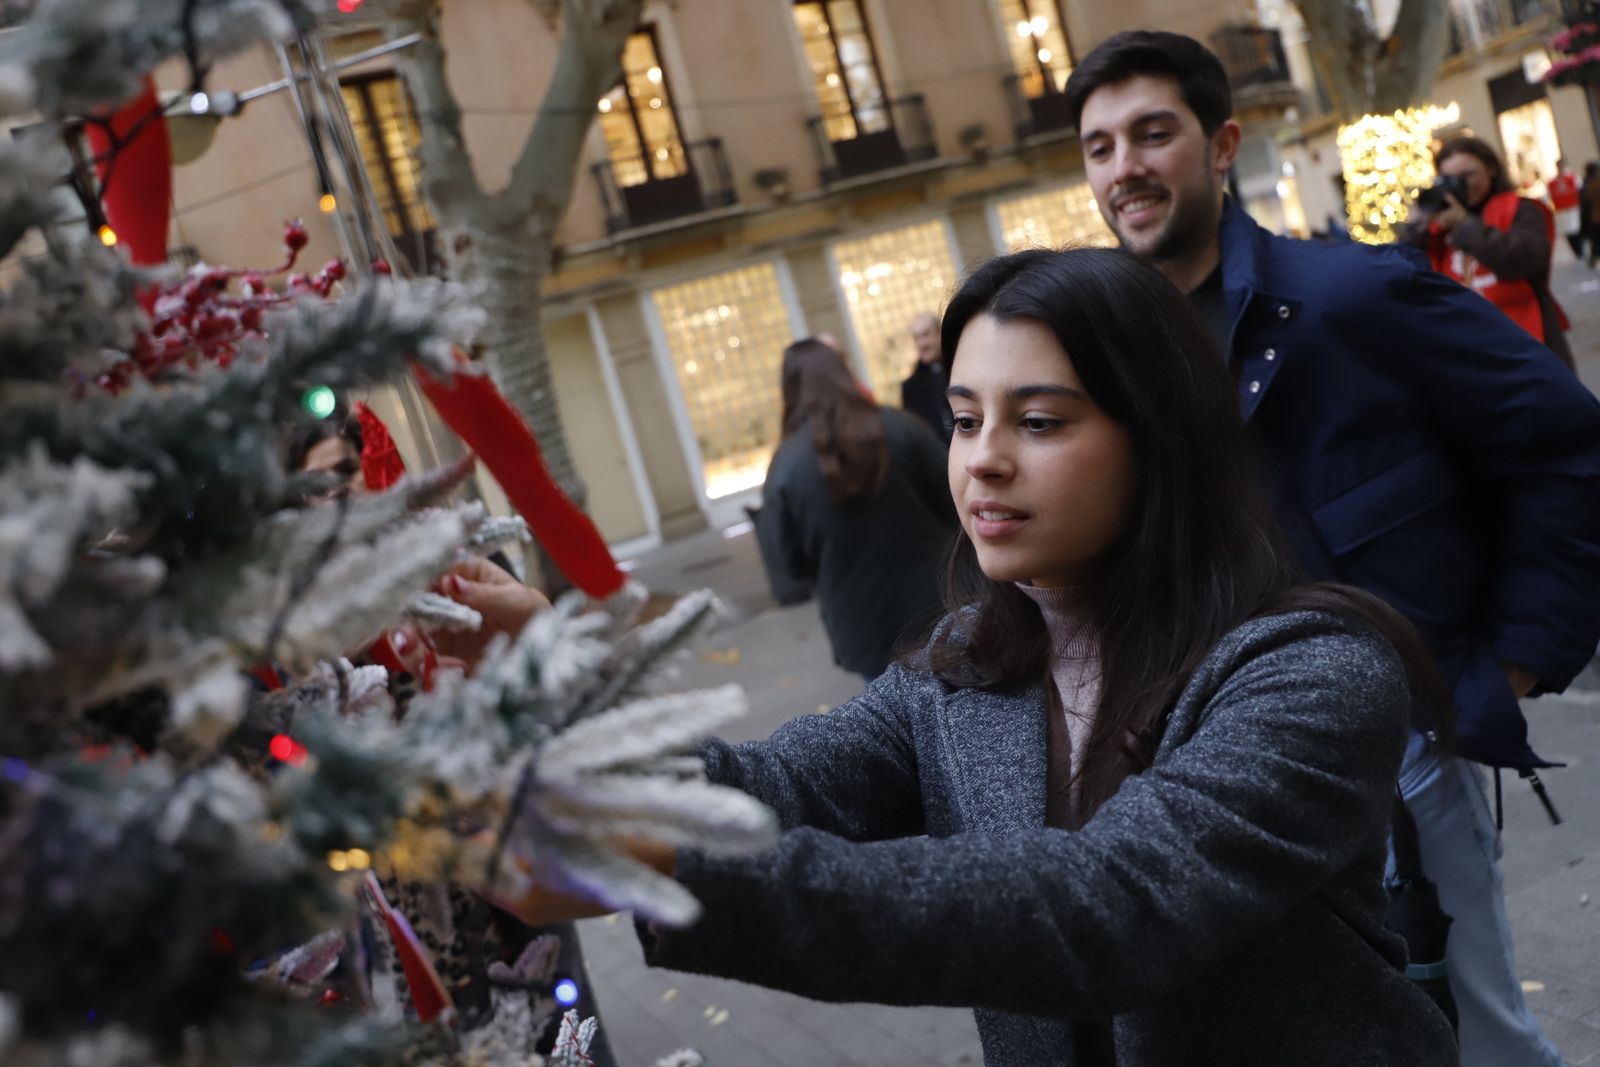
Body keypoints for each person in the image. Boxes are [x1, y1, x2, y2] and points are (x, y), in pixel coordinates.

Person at [464, 247, 1458, 1065]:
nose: (982, 457)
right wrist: (552, 676)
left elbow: (1107, 907)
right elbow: (768, 784)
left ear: (1159, 441)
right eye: (966, 418)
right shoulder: (966, 662)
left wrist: (663, 863)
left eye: (1038, 421)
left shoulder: (1310, 668)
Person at [1063, 30, 1600, 1067]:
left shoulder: (1352, 297)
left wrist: (1508, 665)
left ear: (1221, 146)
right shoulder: (1112, 362)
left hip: (1395, 760)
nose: (1122, 166)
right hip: (1210, 776)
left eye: (1150, 133)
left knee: (1474, 1039)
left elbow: (1568, 447)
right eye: (1097, 147)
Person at [753, 337, 955, 679]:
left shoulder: (785, 467)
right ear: (843, 372)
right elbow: (956, 503)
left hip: (864, 628)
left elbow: (790, 566)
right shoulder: (901, 427)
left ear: (789, 389)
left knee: (896, 726)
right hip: (942, 605)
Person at [1403, 135, 1574, 369]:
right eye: (1449, 179)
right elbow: (1407, 272)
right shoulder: (1438, 226)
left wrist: (1464, 225)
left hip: (1529, 344)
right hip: (1470, 351)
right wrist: (1417, 229)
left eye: (1467, 175)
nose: (1462, 185)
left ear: (1491, 169)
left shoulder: (1521, 209)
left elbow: (1524, 260)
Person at [900, 311, 952, 442]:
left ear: (939, 333)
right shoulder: (911, 388)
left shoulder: (960, 367)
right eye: (917, 338)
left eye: (926, 335)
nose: (922, 344)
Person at [1547, 157, 1584, 259]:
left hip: (1574, 209)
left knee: (1578, 231)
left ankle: (1581, 251)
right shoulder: (1552, 182)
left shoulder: (1574, 177)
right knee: (1569, 232)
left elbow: (1581, 191)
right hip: (1562, 211)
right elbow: (1548, 197)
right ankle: (1578, 252)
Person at [1583, 161, 1600, 268]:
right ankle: (1593, 259)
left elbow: (1585, 204)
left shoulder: (1586, 184)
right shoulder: (1595, 184)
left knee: (1596, 241)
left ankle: (1593, 259)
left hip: (1594, 217)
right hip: (1596, 216)